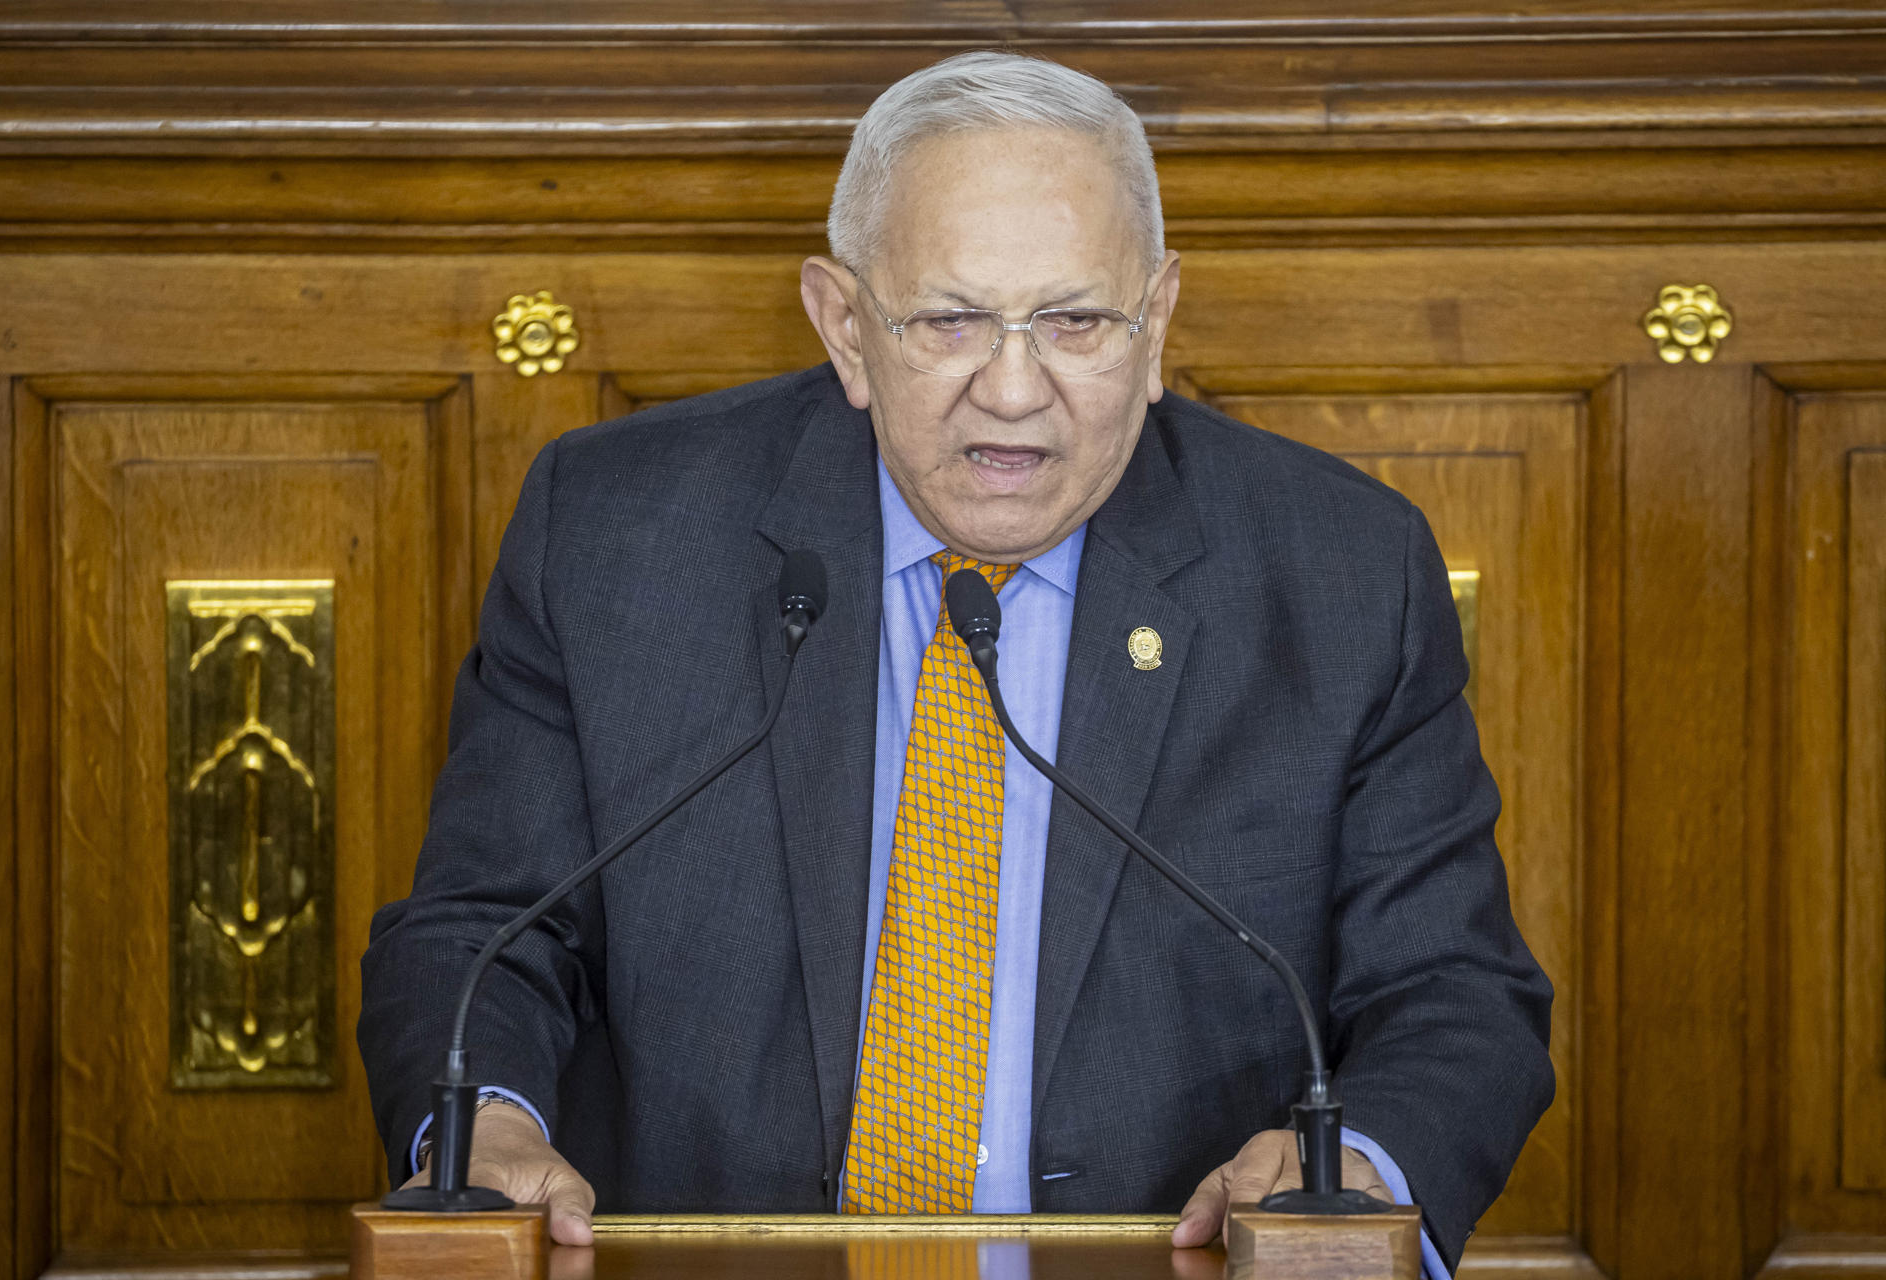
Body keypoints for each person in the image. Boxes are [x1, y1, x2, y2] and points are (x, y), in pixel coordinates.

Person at [358, 50, 1553, 1277]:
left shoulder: (1346, 572)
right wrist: (486, 1128)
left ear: (1158, 324)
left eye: (1079, 320)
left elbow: (1454, 992)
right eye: (950, 320)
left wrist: (1350, 1169)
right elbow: (483, 931)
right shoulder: (614, 536)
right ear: (846, 325)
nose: (1017, 387)